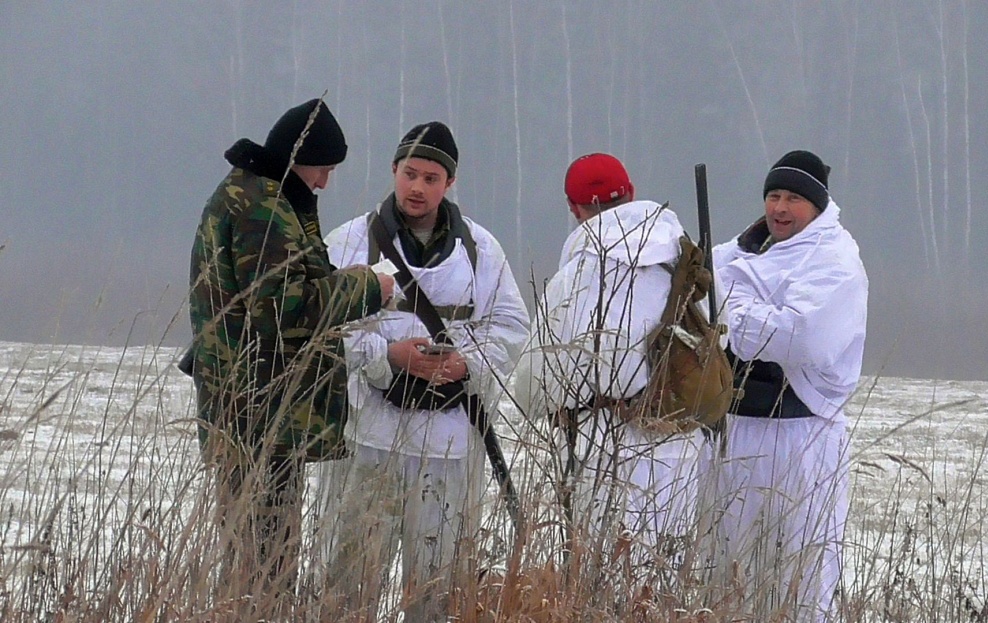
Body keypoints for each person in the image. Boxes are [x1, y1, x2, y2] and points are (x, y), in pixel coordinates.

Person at [315, 121, 529, 621]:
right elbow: (324, 323)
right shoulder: (350, 241)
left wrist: (465, 362)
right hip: (369, 436)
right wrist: (388, 357)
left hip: (448, 442)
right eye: (410, 174)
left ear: (449, 183)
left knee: (438, 587)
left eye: (431, 177)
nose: (418, 187)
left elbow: (512, 324)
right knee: (349, 583)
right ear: (393, 171)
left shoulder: (481, 250)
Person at [187, 97, 395, 611]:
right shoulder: (262, 206)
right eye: (323, 169)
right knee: (263, 566)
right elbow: (284, 309)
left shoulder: (256, 194)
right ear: (300, 159)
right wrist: (372, 286)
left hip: (255, 410)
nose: (324, 182)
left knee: (257, 561)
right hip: (258, 415)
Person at [514, 153, 707, 606]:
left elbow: (530, 388)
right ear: (633, 193)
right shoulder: (680, 266)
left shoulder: (574, 280)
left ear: (574, 209)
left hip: (601, 454)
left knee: (600, 589)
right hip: (678, 448)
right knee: (662, 589)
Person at [711, 150, 868, 621]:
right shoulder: (736, 253)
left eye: (794, 198)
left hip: (801, 438)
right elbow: (697, 299)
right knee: (727, 570)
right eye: (773, 195)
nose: (779, 207)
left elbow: (801, 336)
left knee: (802, 571)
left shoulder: (836, 262)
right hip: (733, 430)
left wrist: (729, 311)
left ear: (818, 206)